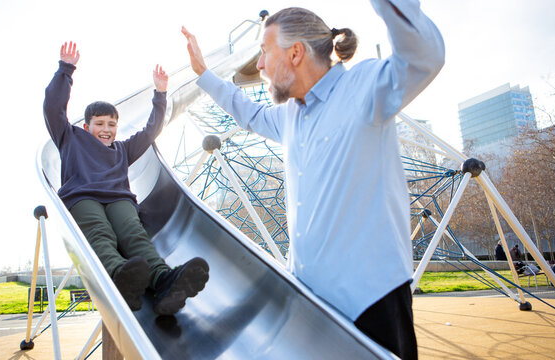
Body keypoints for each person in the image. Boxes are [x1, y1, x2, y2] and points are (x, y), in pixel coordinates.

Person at [182, 0, 444, 358]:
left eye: (264, 52)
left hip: (372, 302)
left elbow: (423, 59)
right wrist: (203, 73)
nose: (259, 65)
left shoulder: (364, 87)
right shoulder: (289, 116)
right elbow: (248, 113)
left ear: (295, 53)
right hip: (312, 306)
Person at [43, 41, 209, 315]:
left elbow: (151, 130)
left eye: (111, 124)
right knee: (100, 233)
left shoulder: (122, 150)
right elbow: (52, 107)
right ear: (86, 126)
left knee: (134, 235)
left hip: (120, 199)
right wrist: (66, 69)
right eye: (100, 124)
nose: (106, 130)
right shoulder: (69, 138)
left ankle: (163, 280)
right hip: (82, 197)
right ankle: (119, 275)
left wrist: (160, 93)